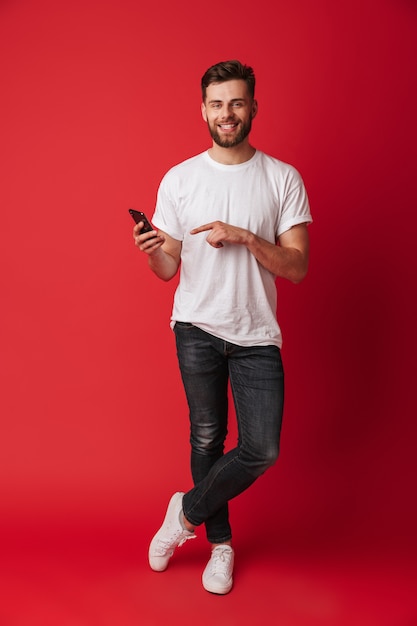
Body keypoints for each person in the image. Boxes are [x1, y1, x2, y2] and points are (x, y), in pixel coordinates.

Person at [133, 59, 312, 594]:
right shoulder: (180, 178)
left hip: (256, 333)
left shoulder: (282, 178)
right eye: (217, 104)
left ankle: (182, 512)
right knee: (207, 437)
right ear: (203, 110)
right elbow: (168, 269)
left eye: (237, 103)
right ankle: (221, 545)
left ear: (254, 107)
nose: (226, 113)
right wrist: (151, 252)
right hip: (196, 326)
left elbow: (299, 266)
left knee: (262, 448)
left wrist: (246, 237)